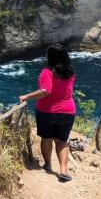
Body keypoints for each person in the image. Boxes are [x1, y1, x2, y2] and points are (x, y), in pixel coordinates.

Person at [19, 44, 76, 182]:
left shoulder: (47, 72)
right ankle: (63, 170)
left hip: (47, 111)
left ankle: (48, 165)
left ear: (50, 57)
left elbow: (46, 91)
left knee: (47, 139)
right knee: (62, 141)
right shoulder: (70, 72)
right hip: (67, 111)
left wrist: (27, 96)